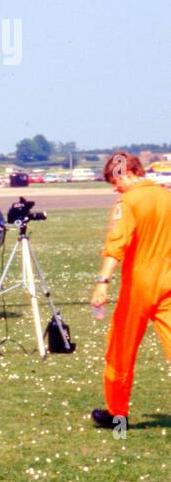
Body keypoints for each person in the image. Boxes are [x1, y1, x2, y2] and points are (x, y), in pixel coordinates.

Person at [89, 152, 171, 429]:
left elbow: (117, 244)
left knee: (120, 351)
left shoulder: (127, 202)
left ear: (127, 173)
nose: (115, 187)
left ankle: (117, 413)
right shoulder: (167, 196)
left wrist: (103, 282)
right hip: (169, 284)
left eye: (115, 180)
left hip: (138, 288)